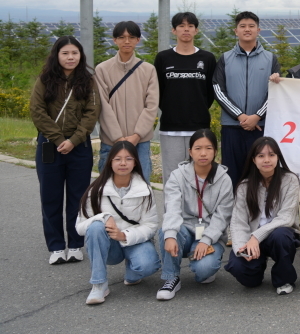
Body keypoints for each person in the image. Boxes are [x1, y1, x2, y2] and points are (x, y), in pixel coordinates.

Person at [31, 36, 99, 265]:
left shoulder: (88, 81)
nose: (70, 57)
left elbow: (92, 113)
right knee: (50, 197)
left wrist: (74, 140)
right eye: (65, 53)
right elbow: (37, 111)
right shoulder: (44, 80)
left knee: (77, 198)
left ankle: (76, 244)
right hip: (49, 145)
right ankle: (56, 247)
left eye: (74, 53)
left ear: (81, 55)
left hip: (79, 146)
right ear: (57, 55)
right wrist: (60, 139)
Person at [75, 140, 161, 305]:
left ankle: (132, 270)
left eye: (128, 159)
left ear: (135, 162)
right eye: (118, 159)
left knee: (148, 265)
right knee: (95, 227)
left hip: (133, 241)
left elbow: (150, 226)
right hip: (109, 246)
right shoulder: (96, 190)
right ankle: (99, 284)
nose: (123, 163)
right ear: (110, 162)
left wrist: (124, 235)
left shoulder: (144, 190)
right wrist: (104, 217)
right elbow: (80, 226)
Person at [157, 129, 234, 300]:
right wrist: (170, 235)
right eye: (198, 148)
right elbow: (172, 208)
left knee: (204, 270)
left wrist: (206, 240)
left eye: (208, 148)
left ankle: (204, 268)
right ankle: (171, 278)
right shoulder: (177, 176)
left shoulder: (224, 179)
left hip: (211, 234)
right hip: (184, 230)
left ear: (215, 151)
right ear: (190, 152)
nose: (203, 153)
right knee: (166, 232)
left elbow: (222, 216)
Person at [213, 11, 281, 190]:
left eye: (251, 26)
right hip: (232, 127)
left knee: (260, 175)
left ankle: (259, 208)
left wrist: (257, 116)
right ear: (236, 31)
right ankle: (233, 208)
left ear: (258, 30)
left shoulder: (270, 59)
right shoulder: (225, 58)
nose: (247, 29)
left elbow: (275, 92)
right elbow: (218, 90)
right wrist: (241, 116)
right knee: (231, 175)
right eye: (242, 26)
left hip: (261, 127)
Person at [225, 137, 300, 295]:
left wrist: (256, 237)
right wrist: (242, 249)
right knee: (241, 270)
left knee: (281, 236)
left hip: (277, 234)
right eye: (261, 156)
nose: (267, 160)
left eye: (271, 155)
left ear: (278, 157)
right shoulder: (244, 186)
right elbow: (238, 223)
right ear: (253, 160)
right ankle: (256, 268)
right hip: (252, 240)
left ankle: (283, 279)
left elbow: (286, 218)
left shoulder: (290, 180)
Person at [154, 12, 217, 184]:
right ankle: (172, 205)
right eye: (181, 26)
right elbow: (158, 90)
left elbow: (210, 92)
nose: (186, 29)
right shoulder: (163, 58)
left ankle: (198, 204)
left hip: (199, 127)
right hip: (170, 127)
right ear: (174, 30)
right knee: (172, 177)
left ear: (196, 30)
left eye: (190, 26)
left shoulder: (207, 58)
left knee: (199, 176)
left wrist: (198, 108)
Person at [94, 20, 159, 179]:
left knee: (141, 186)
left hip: (140, 142)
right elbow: (102, 106)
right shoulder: (102, 69)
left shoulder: (148, 70)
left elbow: (151, 106)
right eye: (122, 37)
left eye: (131, 37)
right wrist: (117, 138)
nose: (127, 41)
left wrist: (136, 135)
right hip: (110, 142)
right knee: (108, 186)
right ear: (114, 40)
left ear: (138, 40)